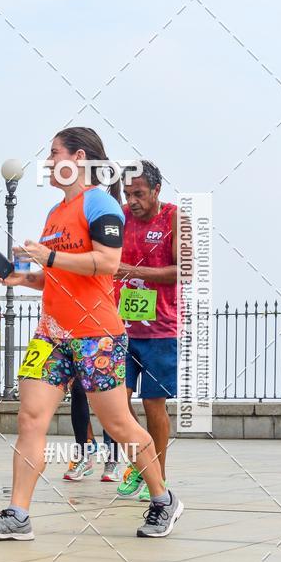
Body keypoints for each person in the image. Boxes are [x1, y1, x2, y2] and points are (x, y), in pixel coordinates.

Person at [0, 128, 184, 541]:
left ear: (77, 157)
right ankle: (18, 514)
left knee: (119, 423)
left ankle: (162, 500)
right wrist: (23, 276)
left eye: (54, 153)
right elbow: (59, 275)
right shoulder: (54, 213)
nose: (47, 161)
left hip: (96, 334)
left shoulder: (102, 202)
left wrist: (48, 255)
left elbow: (106, 262)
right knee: (30, 418)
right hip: (51, 334)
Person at [114, 161, 179, 502]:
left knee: (154, 404)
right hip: (120, 329)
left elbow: (183, 270)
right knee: (117, 405)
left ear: (156, 190)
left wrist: (133, 270)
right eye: (127, 194)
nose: (132, 201)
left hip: (161, 331)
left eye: (139, 193)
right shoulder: (119, 218)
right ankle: (140, 466)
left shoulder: (172, 218)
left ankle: (159, 477)